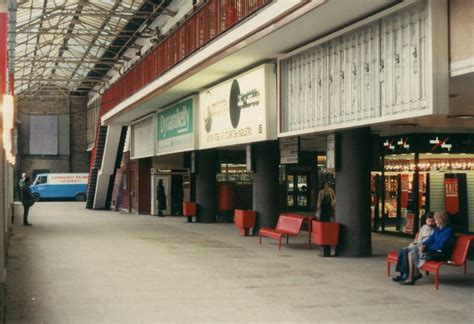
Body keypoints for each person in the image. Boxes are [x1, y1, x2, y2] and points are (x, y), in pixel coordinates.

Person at [399, 211, 455, 285]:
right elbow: (430, 239)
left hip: (440, 253)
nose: (434, 222)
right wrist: (423, 245)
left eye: (435, 220)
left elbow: (441, 245)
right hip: (433, 251)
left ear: (440, 220)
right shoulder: (437, 229)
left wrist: (426, 249)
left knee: (412, 253)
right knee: (412, 250)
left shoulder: (448, 230)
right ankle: (413, 275)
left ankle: (411, 278)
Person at [393, 213, 435, 282]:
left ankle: (405, 275)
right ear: (426, 221)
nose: (430, 223)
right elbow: (418, 238)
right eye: (429, 221)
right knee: (403, 250)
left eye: (432, 221)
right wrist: (414, 242)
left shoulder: (435, 230)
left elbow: (430, 242)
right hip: (418, 245)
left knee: (407, 251)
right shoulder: (424, 227)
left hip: (423, 247)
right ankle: (402, 274)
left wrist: (419, 245)